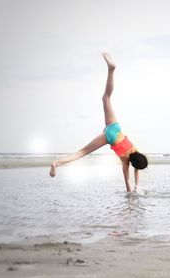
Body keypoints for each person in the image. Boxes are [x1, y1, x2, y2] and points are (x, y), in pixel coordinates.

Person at [49, 53, 148, 193]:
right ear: (134, 164)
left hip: (115, 128)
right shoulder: (126, 161)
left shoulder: (135, 151)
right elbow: (127, 178)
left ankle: (111, 70)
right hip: (109, 136)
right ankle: (55, 163)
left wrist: (136, 187)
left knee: (106, 98)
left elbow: (138, 167)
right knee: (82, 152)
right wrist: (132, 190)